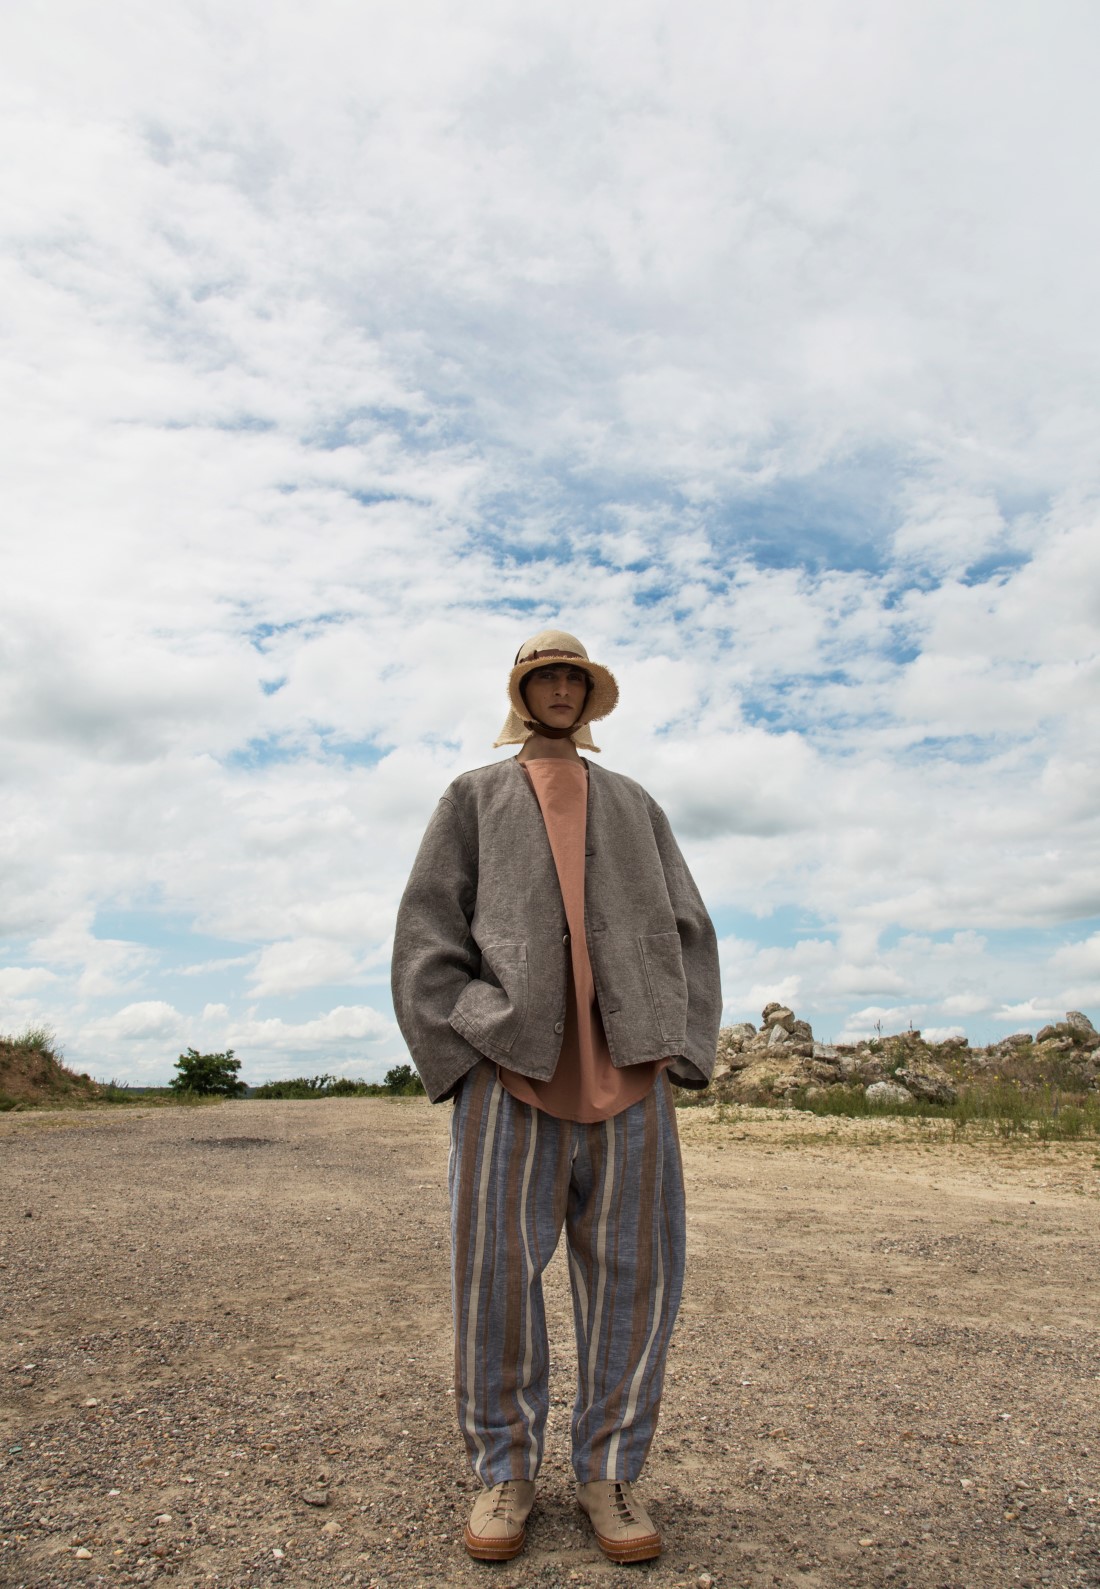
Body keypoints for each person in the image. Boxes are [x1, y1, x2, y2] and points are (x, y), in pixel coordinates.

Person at [391, 628, 722, 1564]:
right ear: (522, 691)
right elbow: (426, 932)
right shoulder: (474, 796)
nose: (563, 688)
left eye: (576, 676)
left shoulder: (633, 802)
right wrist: (466, 1044)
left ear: (593, 693)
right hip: (512, 1075)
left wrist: (682, 1045)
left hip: (633, 1073)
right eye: (547, 676)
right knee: (493, 1278)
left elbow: (690, 926)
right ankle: (506, 1470)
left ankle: (611, 1470)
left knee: (638, 1280)